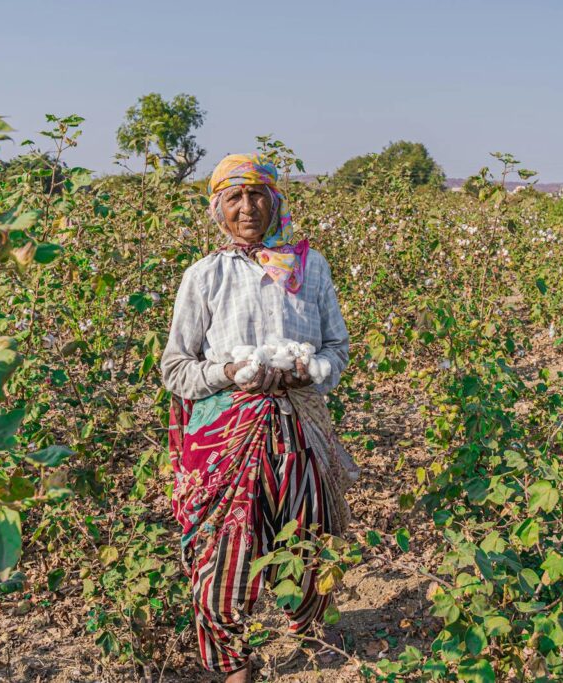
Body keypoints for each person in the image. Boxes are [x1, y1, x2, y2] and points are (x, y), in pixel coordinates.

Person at [161, 153, 358, 681]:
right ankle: (232, 663)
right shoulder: (204, 277)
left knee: (308, 537)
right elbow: (176, 368)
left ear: (276, 201)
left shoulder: (310, 266)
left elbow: (337, 347)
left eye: (257, 195)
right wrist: (230, 372)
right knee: (223, 552)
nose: (247, 208)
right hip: (227, 432)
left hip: (299, 425)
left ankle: (312, 635)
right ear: (217, 209)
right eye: (234, 197)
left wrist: (309, 372)